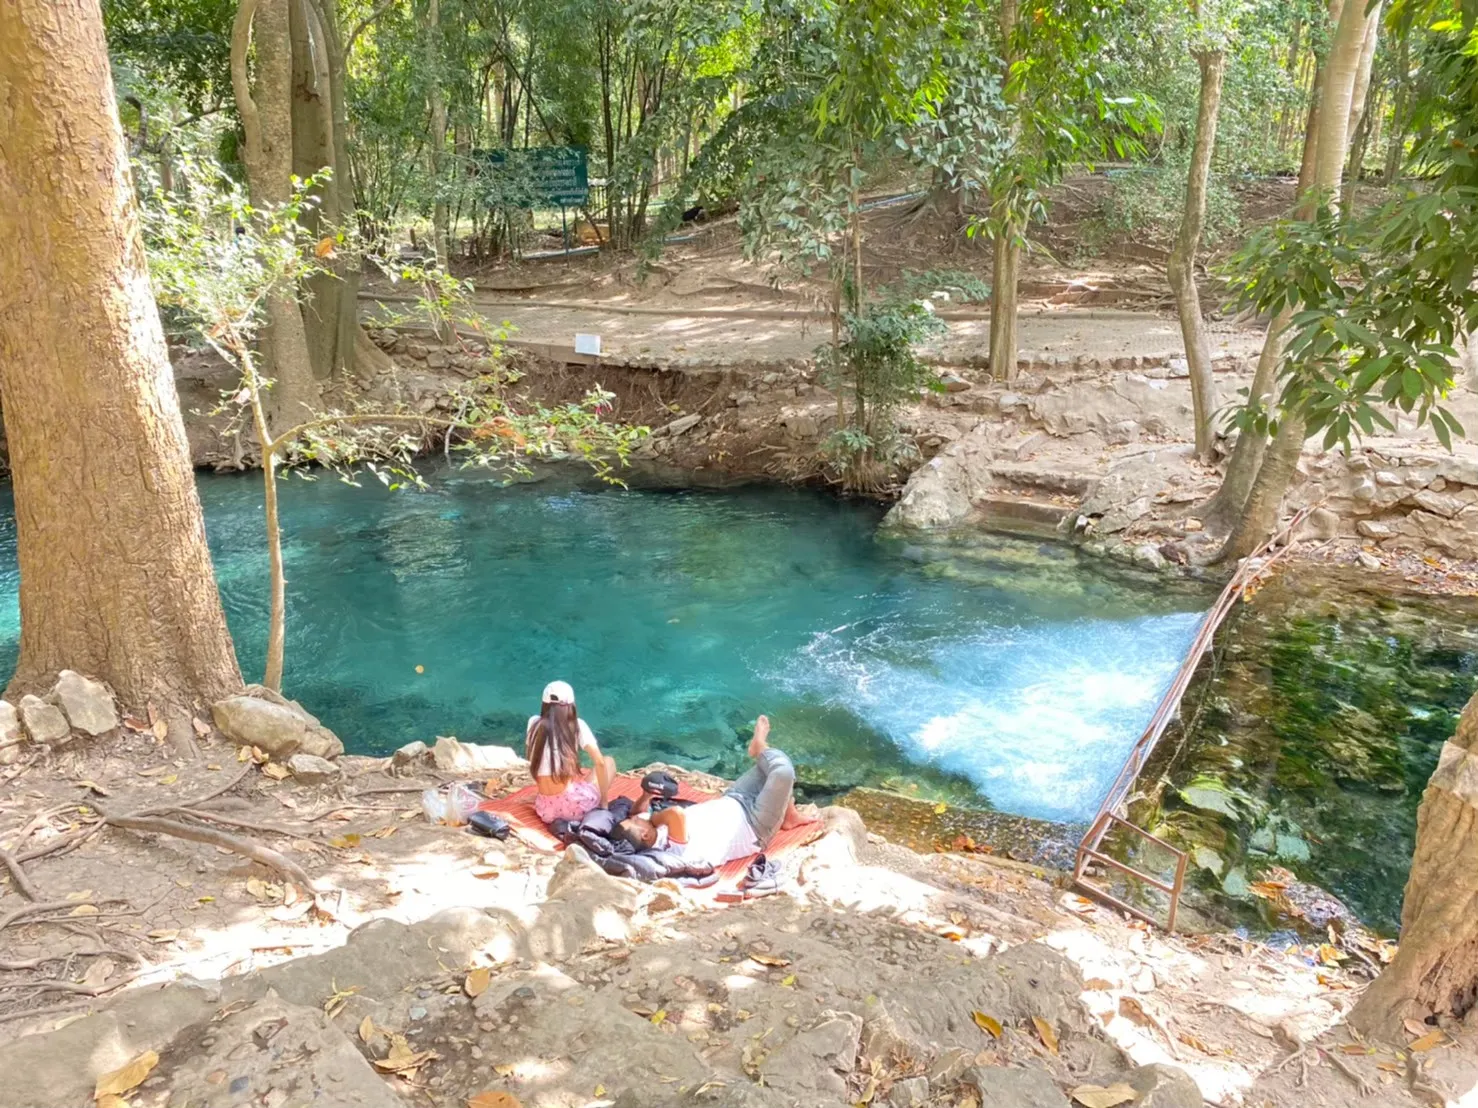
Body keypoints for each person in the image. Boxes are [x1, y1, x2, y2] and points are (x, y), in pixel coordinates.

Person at [614, 714, 816, 867]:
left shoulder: (649, 831)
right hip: (755, 826)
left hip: (733, 799)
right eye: (634, 822)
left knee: (768, 771)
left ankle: (789, 815)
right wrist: (653, 818)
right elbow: (674, 814)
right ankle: (760, 746)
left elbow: (637, 811)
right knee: (782, 772)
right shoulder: (670, 849)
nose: (636, 817)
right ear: (645, 836)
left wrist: (647, 794)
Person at [526, 680, 615, 825]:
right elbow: (599, 762)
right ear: (570, 705)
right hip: (573, 809)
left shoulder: (533, 723)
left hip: (545, 810)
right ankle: (600, 803)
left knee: (582, 783)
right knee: (608, 761)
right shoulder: (577, 725)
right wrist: (604, 801)